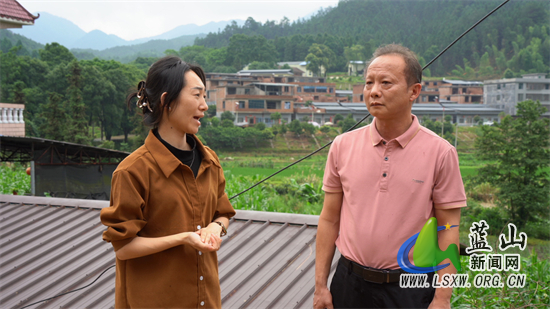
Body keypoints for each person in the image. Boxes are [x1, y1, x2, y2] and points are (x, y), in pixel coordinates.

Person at [314, 44, 466, 309]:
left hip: (409, 288)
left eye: (386, 83)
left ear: (413, 91)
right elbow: (329, 218)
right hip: (349, 282)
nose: (374, 91)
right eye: (369, 83)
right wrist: (320, 287)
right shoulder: (342, 145)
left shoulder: (440, 152)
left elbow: (449, 230)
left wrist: (442, 298)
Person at [100, 56, 236, 309]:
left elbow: (222, 214)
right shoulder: (133, 171)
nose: (205, 106)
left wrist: (215, 229)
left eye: (205, 97)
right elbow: (124, 247)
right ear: (166, 101)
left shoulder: (210, 161)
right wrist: (183, 238)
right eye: (196, 95)